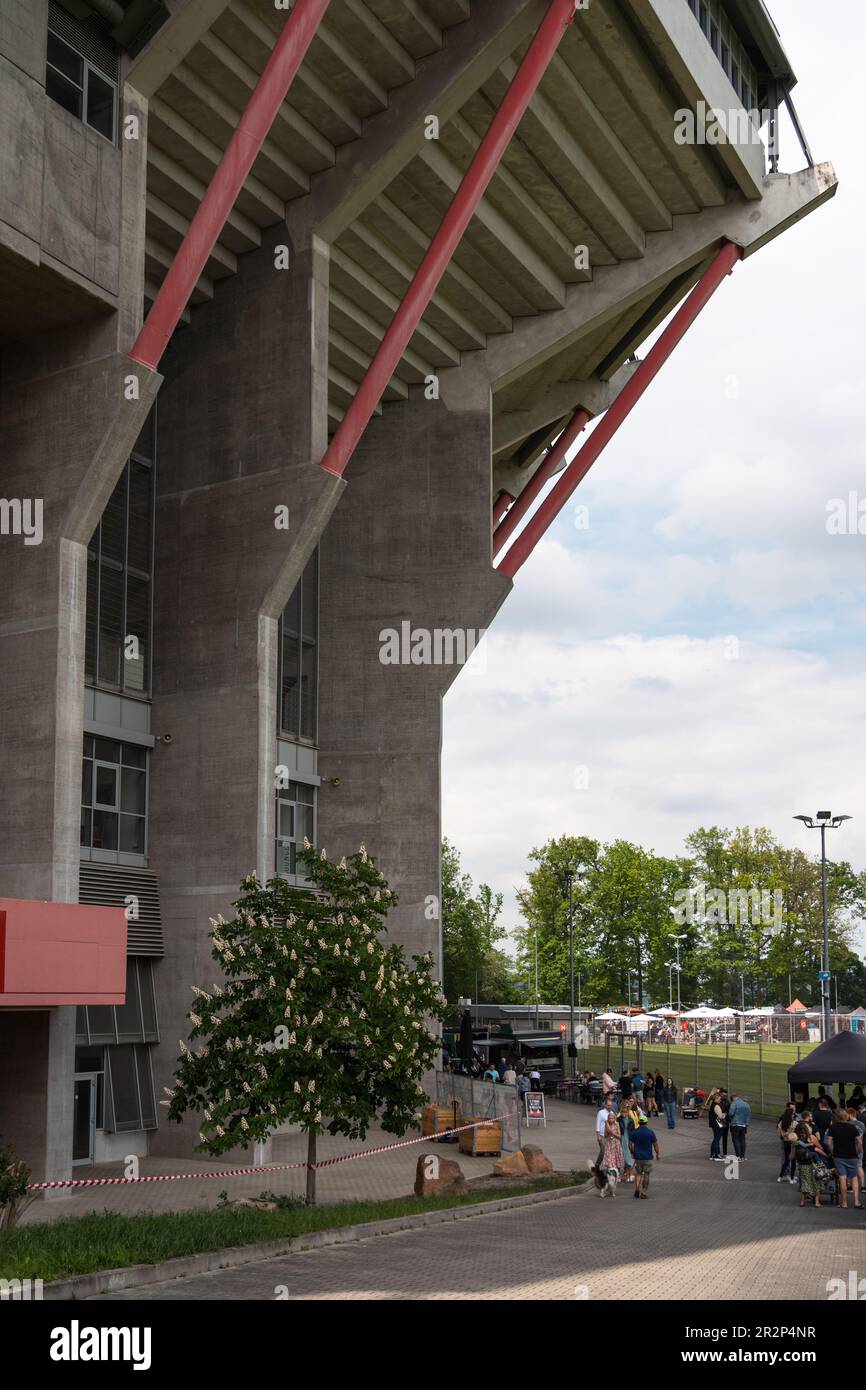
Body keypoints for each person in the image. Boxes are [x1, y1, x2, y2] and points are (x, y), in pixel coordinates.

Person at [826, 1107, 863, 1209]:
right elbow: (859, 1142)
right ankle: (856, 1201)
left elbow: (828, 1143)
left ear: (836, 1117)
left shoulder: (833, 1128)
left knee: (842, 1178)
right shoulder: (852, 1128)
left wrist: (832, 1152)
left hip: (839, 1156)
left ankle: (844, 1203)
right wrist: (858, 1151)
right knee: (854, 1178)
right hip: (852, 1155)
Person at [793, 1121, 825, 1208]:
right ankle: (817, 1202)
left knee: (805, 1182)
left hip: (802, 1164)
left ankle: (802, 1201)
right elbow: (820, 1147)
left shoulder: (796, 1140)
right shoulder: (811, 1137)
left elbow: (792, 1155)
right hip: (813, 1164)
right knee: (816, 1182)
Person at [629, 1114, 660, 1199]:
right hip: (648, 1157)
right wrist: (657, 1153)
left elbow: (630, 1143)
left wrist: (632, 1152)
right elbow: (655, 1144)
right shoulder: (650, 1132)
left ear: (638, 1123)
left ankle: (637, 1188)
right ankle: (644, 1192)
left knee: (638, 1174)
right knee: (646, 1174)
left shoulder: (635, 1132)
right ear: (646, 1123)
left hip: (638, 1157)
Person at [601, 1107, 625, 1190]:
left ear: (614, 1118)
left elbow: (619, 1136)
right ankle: (610, 1176)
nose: (611, 1119)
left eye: (612, 1118)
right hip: (609, 1144)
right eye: (609, 1118)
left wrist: (613, 1133)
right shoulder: (607, 1125)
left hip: (616, 1144)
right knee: (610, 1161)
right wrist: (608, 1132)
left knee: (617, 1160)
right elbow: (605, 1135)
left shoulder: (617, 1124)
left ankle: (617, 1176)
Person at [777, 1102, 798, 1183]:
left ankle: (780, 1176)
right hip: (792, 1142)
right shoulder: (794, 1123)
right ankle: (792, 1178)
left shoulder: (781, 1123)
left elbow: (779, 1132)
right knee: (793, 1160)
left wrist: (784, 1135)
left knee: (786, 1159)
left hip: (785, 1142)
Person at [728, 1093, 751, 1159]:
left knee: (735, 1140)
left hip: (735, 1124)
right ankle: (743, 1156)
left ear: (732, 1099)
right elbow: (749, 1114)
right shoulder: (746, 1104)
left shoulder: (734, 1103)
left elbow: (731, 1113)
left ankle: (738, 1155)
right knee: (742, 1140)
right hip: (743, 1125)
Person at [596, 1093, 616, 1162]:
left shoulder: (612, 1113)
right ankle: (597, 1165)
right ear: (605, 1105)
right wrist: (598, 1136)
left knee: (609, 1152)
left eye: (610, 1105)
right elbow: (598, 1124)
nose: (609, 1107)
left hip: (609, 1135)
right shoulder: (601, 1112)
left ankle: (608, 1166)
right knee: (603, 1151)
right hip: (602, 1135)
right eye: (608, 1105)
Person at [708, 1090, 726, 1161]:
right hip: (717, 1124)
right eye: (719, 1098)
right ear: (716, 1098)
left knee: (715, 1139)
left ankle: (712, 1154)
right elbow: (720, 1116)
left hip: (713, 1124)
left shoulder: (711, 1103)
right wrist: (724, 1115)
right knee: (717, 1139)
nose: (720, 1099)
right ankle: (717, 1155)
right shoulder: (717, 1106)